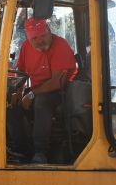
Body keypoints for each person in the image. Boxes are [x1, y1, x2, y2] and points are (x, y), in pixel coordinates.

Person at [9, 18, 77, 163]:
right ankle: (19, 150)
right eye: (35, 38)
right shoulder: (26, 47)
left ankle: (40, 152)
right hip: (37, 89)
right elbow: (21, 70)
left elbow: (58, 81)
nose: (40, 41)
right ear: (29, 39)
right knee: (12, 105)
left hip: (61, 92)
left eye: (43, 36)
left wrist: (32, 95)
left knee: (42, 102)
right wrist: (18, 91)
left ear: (49, 31)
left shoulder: (60, 46)